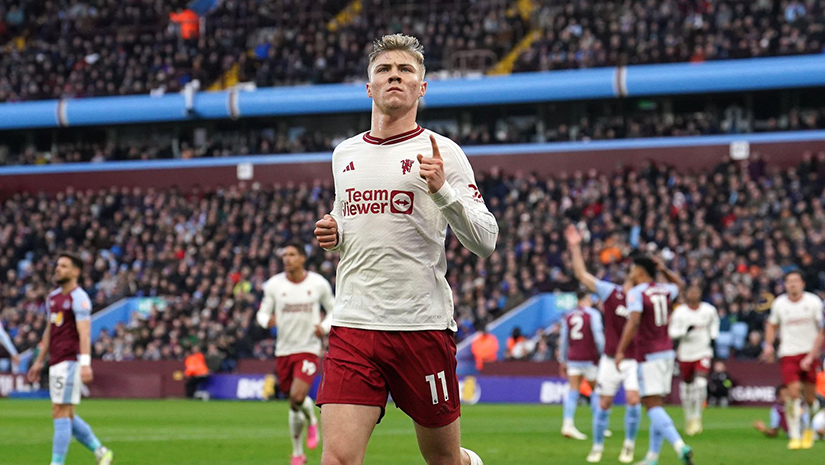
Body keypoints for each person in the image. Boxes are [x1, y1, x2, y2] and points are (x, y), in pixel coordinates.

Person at [313, 33, 497, 465]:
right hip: (353, 324)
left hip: (421, 325)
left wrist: (443, 191)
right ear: (369, 87)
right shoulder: (345, 154)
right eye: (384, 70)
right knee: (337, 458)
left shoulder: (442, 152)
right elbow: (349, 219)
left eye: (405, 70)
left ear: (421, 88)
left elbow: (486, 241)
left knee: (443, 459)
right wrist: (335, 233)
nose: (394, 76)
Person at [26, 253, 114, 465]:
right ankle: (101, 451)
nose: (58, 269)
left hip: (70, 361)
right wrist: (39, 360)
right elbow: (49, 330)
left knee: (59, 411)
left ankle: (57, 463)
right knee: (67, 414)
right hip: (55, 361)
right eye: (57, 265)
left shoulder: (79, 298)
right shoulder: (53, 298)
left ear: (76, 272)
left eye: (64, 266)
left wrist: (85, 364)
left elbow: (84, 333)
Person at [566, 225, 641, 463]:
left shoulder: (644, 298)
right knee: (604, 402)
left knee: (632, 399)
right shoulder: (611, 292)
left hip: (633, 359)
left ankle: (629, 445)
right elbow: (582, 275)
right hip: (610, 358)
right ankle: (597, 447)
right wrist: (575, 247)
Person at [256, 241, 335, 465]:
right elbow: (262, 312)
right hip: (284, 349)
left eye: (291, 254)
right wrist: (266, 321)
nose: (287, 259)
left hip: (308, 348)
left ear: (302, 258)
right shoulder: (273, 285)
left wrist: (325, 327)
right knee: (293, 402)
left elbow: (333, 308)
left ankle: (298, 452)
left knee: (297, 396)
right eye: (284, 255)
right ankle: (299, 450)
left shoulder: (317, 283)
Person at [615, 256, 694, 465]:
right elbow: (680, 285)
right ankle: (652, 457)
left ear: (640, 272)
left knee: (651, 406)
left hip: (649, 354)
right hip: (667, 353)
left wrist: (621, 350)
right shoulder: (664, 289)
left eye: (633, 269)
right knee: (656, 404)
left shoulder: (636, 293)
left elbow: (633, 322)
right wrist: (665, 269)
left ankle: (680, 446)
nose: (630, 273)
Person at [761, 270, 825, 450]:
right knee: (793, 393)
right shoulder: (780, 304)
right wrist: (768, 345)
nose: (792, 284)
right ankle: (795, 435)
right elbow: (772, 325)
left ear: (803, 284)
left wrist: (812, 355)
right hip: (788, 353)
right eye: (789, 281)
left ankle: (808, 430)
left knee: (810, 399)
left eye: (796, 281)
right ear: (785, 285)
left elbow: (822, 330)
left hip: (809, 353)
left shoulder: (813, 302)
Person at [669, 285, 720, 436]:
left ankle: (697, 417)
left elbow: (715, 324)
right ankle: (688, 418)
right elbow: (672, 332)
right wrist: (685, 331)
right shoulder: (680, 312)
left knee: (701, 384)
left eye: (696, 291)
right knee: (687, 388)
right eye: (691, 291)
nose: (694, 293)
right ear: (686, 294)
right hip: (685, 353)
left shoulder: (709, 310)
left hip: (703, 351)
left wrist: (713, 335)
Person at [559, 290, 605, 442]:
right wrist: (603, 354)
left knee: (573, 392)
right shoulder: (592, 314)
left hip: (573, 359)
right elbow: (598, 337)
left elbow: (564, 340)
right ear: (585, 299)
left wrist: (563, 360)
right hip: (589, 359)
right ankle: (599, 425)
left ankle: (567, 424)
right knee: (595, 391)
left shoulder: (569, 315)